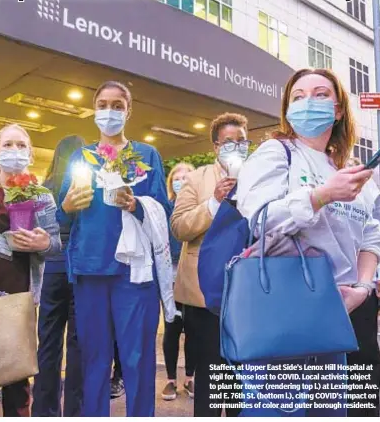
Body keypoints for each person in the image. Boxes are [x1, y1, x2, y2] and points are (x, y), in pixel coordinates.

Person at [236, 68, 380, 417]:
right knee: (277, 412)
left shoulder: (345, 171)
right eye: (298, 97)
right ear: (287, 111)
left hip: (334, 318)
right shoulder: (277, 152)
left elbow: (372, 237)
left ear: (337, 109)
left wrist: (362, 289)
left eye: (319, 94)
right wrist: (320, 196)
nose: (307, 103)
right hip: (282, 311)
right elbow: (259, 216)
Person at [57, 80, 175, 417]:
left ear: (128, 111)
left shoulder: (146, 155)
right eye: (103, 104)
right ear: (94, 110)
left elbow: (163, 212)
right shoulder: (82, 157)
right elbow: (61, 218)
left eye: (118, 105)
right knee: (94, 359)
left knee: (137, 358)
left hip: (134, 274)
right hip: (89, 268)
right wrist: (66, 205)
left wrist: (137, 204)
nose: (110, 111)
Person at [171, 113, 250, 417]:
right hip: (205, 291)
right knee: (211, 373)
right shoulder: (196, 178)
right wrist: (213, 203)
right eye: (228, 142)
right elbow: (179, 227)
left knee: (241, 373)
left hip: (247, 290)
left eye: (242, 141)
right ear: (216, 147)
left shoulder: (259, 176)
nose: (236, 147)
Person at [0, 124, 61, 417]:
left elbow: (55, 244)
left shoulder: (42, 196)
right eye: (8, 145)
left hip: (20, 297)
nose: (14, 151)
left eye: (21, 146)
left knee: (16, 377)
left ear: (29, 152)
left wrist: (42, 242)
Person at [32, 135, 85, 417]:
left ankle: (44, 410)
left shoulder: (44, 188)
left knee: (48, 343)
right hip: (78, 269)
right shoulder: (84, 187)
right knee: (78, 345)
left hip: (50, 268)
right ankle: (75, 412)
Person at [344, 158, 380, 417]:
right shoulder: (291, 165)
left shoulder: (367, 182)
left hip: (361, 286)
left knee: (363, 363)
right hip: (311, 290)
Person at [161, 162, 196, 401]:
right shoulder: (165, 208)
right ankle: (171, 380)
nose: (181, 181)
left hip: (193, 275)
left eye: (186, 177)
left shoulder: (200, 208)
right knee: (172, 328)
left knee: (193, 330)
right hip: (170, 275)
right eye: (177, 178)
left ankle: (191, 378)